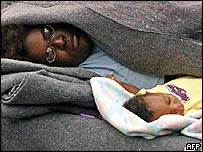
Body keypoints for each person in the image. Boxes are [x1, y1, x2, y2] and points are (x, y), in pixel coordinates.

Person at [1, 22, 167, 89]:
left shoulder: (102, 24)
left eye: (48, 32)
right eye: (50, 53)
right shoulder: (96, 81)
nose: (60, 42)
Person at [106, 74, 202, 122]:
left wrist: (120, 84)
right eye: (172, 114)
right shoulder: (188, 115)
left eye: (169, 100)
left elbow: (137, 92)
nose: (176, 107)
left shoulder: (153, 95)